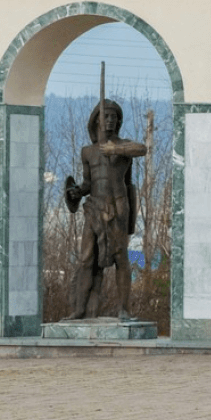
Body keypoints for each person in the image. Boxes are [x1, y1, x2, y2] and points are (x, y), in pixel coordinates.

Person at [64, 99, 147, 321]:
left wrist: (115, 148)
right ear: (96, 120)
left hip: (117, 207)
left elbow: (142, 149)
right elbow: (88, 182)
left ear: (118, 121)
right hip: (94, 208)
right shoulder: (88, 152)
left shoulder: (124, 148)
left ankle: (123, 310)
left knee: (121, 258)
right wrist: (77, 192)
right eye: (105, 116)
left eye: (114, 116)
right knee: (86, 259)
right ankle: (80, 309)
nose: (110, 120)